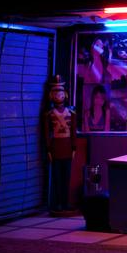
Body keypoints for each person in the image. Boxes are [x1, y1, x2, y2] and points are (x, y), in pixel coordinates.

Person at [43, 75, 77, 214]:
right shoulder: (49, 113)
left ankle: (65, 202)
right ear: (52, 95)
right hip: (56, 147)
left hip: (67, 146)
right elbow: (47, 132)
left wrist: (74, 147)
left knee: (66, 177)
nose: (59, 95)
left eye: (61, 92)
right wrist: (48, 149)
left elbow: (73, 130)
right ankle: (57, 203)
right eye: (56, 93)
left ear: (65, 94)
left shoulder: (71, 112)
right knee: (56, 177)